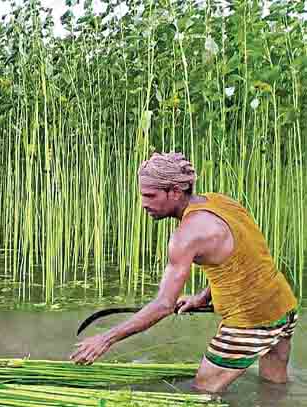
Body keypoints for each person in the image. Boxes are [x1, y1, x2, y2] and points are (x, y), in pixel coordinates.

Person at [70, 152, 298, 393]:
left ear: (176, 191)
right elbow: (246, 259)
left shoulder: (186, 235)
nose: (143, 203)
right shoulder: (222, 202)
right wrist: (203, 297)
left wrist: (105, 339)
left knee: (202, 391)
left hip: (250, 322)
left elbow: (163, 305)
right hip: (284, 307)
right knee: (273, 391)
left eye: (150, 195)